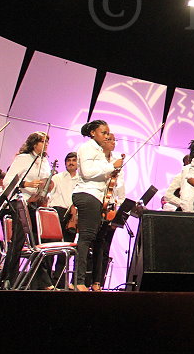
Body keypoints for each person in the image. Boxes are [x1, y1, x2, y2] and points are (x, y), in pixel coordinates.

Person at [71, 120, 122, 292]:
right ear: (93, 133)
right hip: (87, 194)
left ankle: (93, 281)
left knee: (97, 239)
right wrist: (110, 167)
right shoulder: (87, 148)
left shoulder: (99, 150)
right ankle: (78, 281)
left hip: (98, 197)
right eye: (104, 133)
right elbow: (87, 172)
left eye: (108, 133)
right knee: (86, 238)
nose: (107, 136)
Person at [1, 131, 55, 289]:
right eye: (42, 142)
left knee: (38, 243)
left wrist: (47, 187)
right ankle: (7, 279)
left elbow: (45, 182)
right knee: (18, 241)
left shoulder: (44, 161)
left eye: (47, 142)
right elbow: (8, 180)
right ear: (34, 143)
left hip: (36, 203)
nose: (45, 145)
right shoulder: (23, 158)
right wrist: (27, 184)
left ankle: (42, 282)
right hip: (20, 202)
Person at [89, 133, 126, 291]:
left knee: (104, 246)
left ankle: (98, 282)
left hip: (110, 207)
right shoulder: (96, 158)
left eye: (114, 140)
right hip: (94, 203)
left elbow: (120, 186)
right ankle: (84, 280)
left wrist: (119, 208)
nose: (112, 143)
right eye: (109, 140)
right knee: (90, 244)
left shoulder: (118, 160)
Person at [48, 152, 80, 287]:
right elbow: (49, 194)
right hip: (57, 213)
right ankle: (47, 281)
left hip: (72, 217)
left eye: (74, 160)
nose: (71, 163)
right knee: (51, 248)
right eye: (68, 160)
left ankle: (59, 281)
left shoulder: (81, 180)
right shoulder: (57, 177)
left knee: (65, 250)